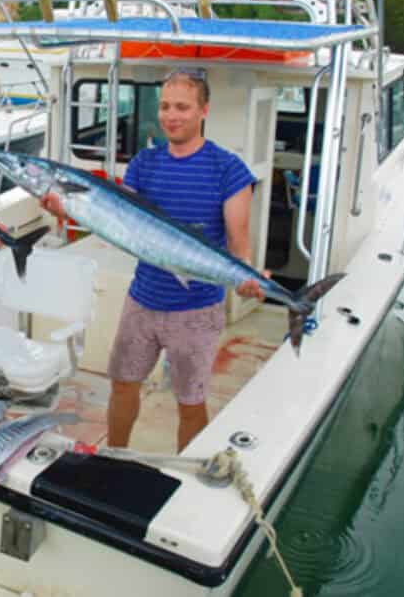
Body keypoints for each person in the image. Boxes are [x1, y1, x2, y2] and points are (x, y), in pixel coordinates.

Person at [40, 68, 266, 452]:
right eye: (164, 106)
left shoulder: (228, 169)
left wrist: (246, 275)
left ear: (203, 111)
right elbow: (117, 221)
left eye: (182, 107)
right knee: (123, 386)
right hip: (142, 300)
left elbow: (238, 244)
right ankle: (113, 456)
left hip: (196, 310)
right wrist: (65, 211)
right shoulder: (145, 163)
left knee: (190, 403)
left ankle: (183, 477)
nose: (171, 115)